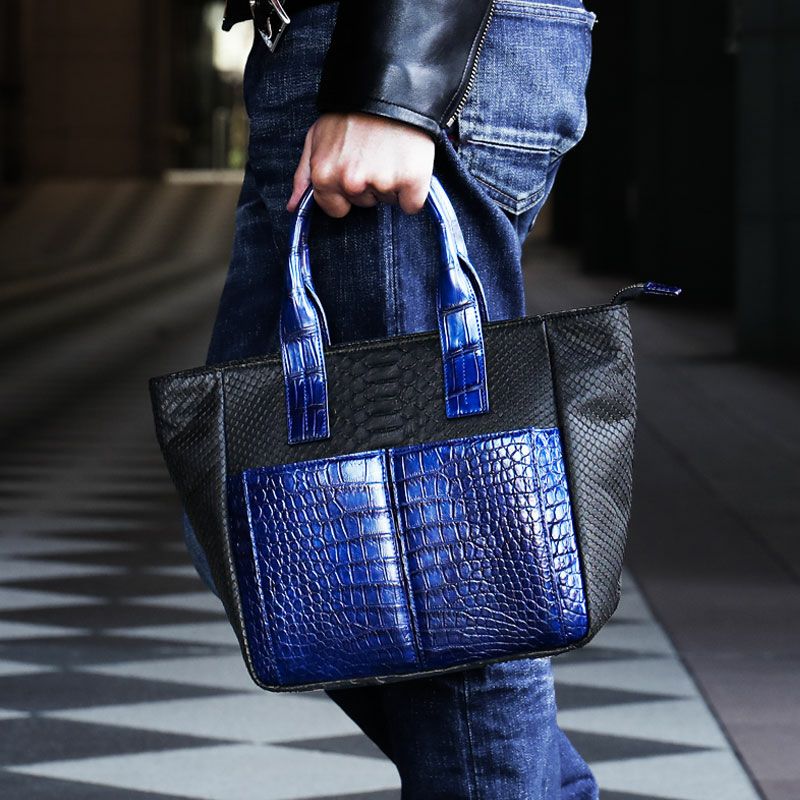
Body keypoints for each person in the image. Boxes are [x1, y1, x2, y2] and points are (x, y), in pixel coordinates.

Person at [185, 0, 600, 795]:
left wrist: (390, 85)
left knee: (449, 572)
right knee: (242, 518)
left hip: (392, 54)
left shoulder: (387, 79)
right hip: (344, 57)